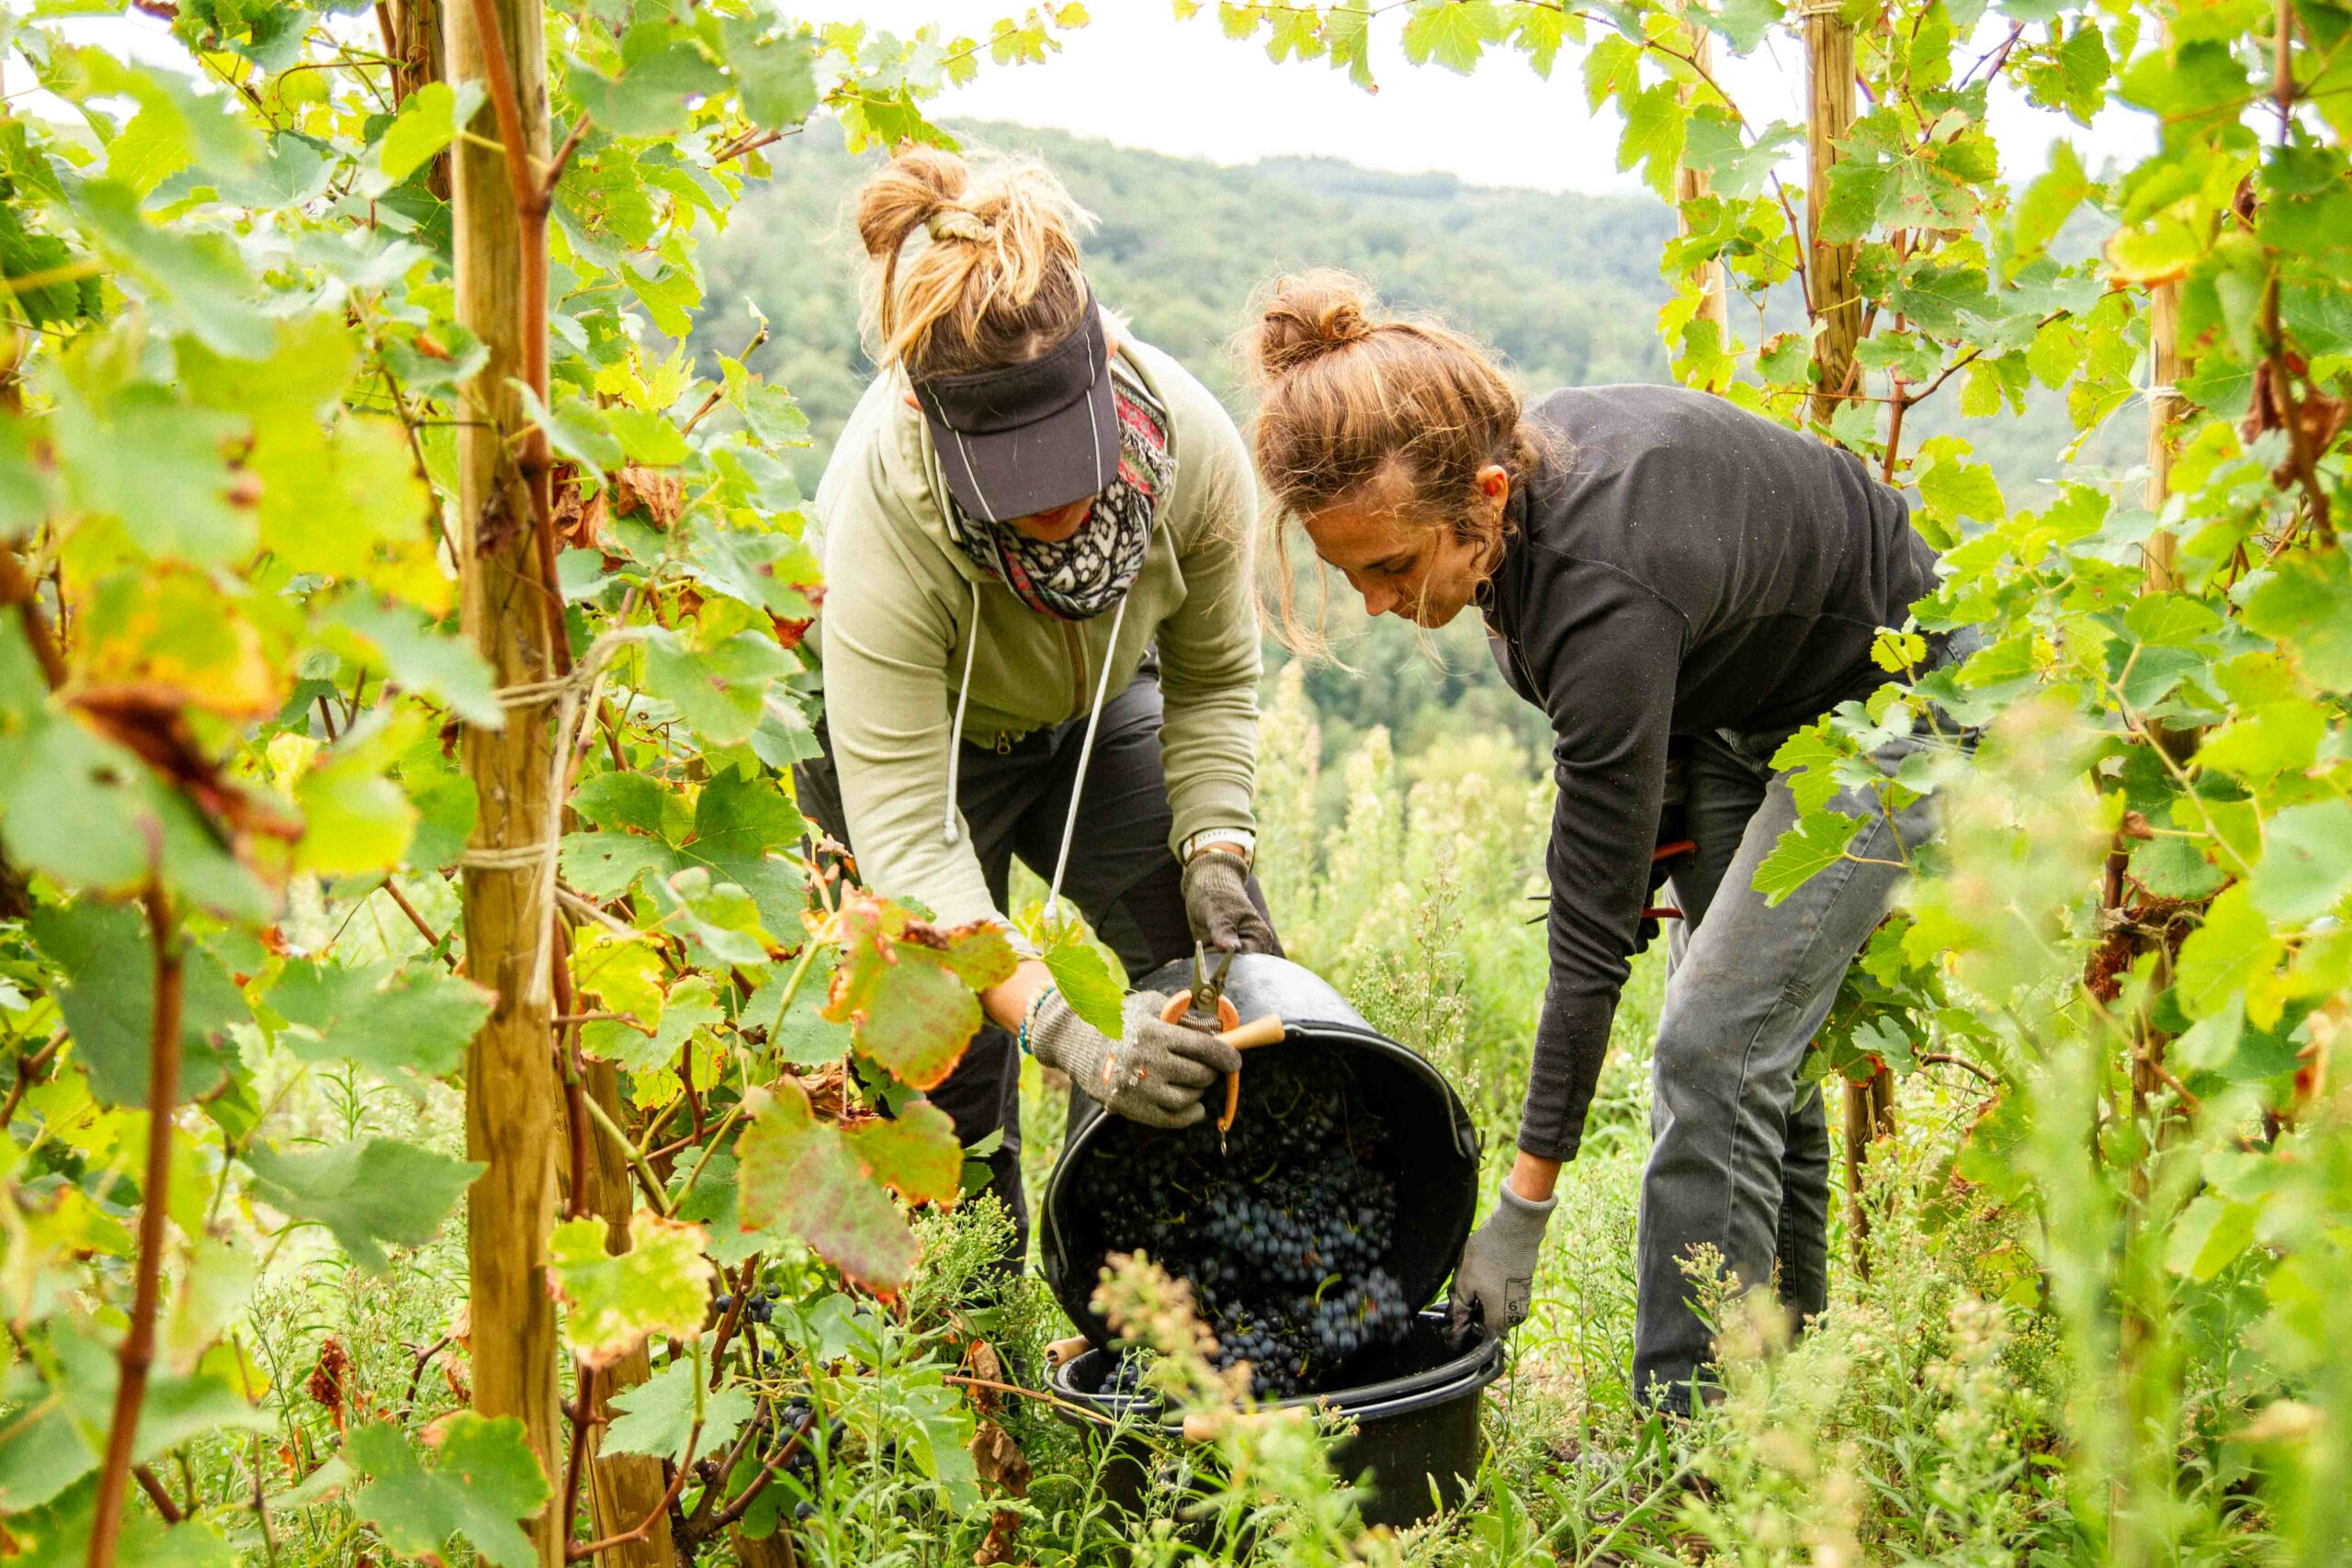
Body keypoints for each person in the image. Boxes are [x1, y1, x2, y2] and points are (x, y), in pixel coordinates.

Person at [1242, 271, 1962, 1415]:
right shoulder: (1510, 509)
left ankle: (1693, 1442)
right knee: (1745, 1045)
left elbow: (1586, 947)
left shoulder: (1598, 591)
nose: (1377, 604)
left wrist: (1523, 1210)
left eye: (1389, 567)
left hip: (1896, 689)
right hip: (1747, 700)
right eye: (1350, 574)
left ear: (1485, 493)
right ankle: (1799, 1376)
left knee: (1713, 1049)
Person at [795, 148, 1280, 1262]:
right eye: (1015, 485)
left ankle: (1162, 1313)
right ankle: (982, 1366)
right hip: (909, 759)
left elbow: (1210, 681)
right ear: (934, 420)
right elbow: (912, 846)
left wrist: (1214, 840)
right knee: (944, 1081)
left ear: (1103, 362)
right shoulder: (885, 512)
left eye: (1070, 464)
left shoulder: (1192, 447)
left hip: (1098, 715)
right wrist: (1068, 1035)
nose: (1058, 513)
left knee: (1206, 991)